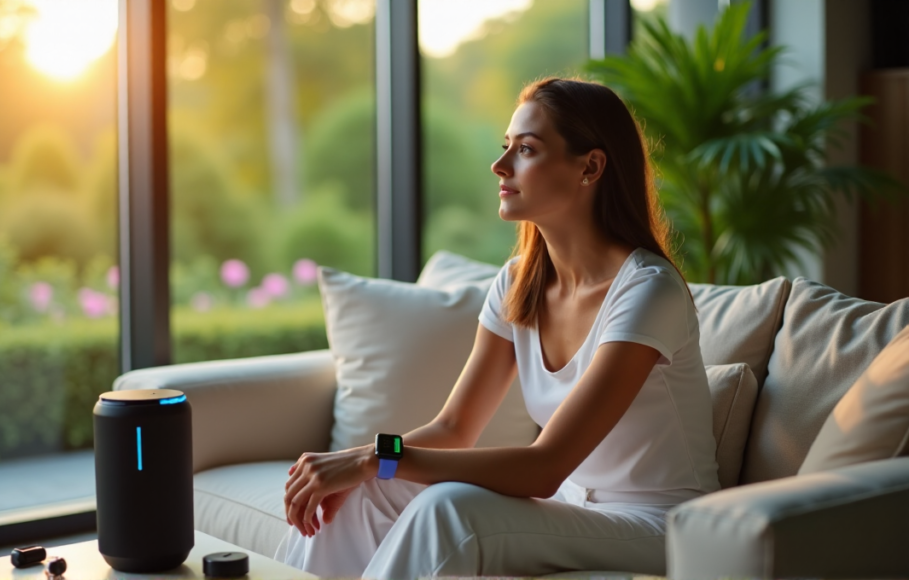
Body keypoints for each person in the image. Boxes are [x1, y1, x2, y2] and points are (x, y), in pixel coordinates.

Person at [274, 77, 720, 579]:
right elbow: (454, 429)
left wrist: (375, 457)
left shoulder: (648, 291)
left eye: (526, 149)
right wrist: (365, 463)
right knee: (362, 490)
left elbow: (546, 466)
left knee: (447, 508)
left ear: (590, 167)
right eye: (506, 146)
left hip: (661, 527)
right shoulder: (518, 284)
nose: (500, 165)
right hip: (577, 514)